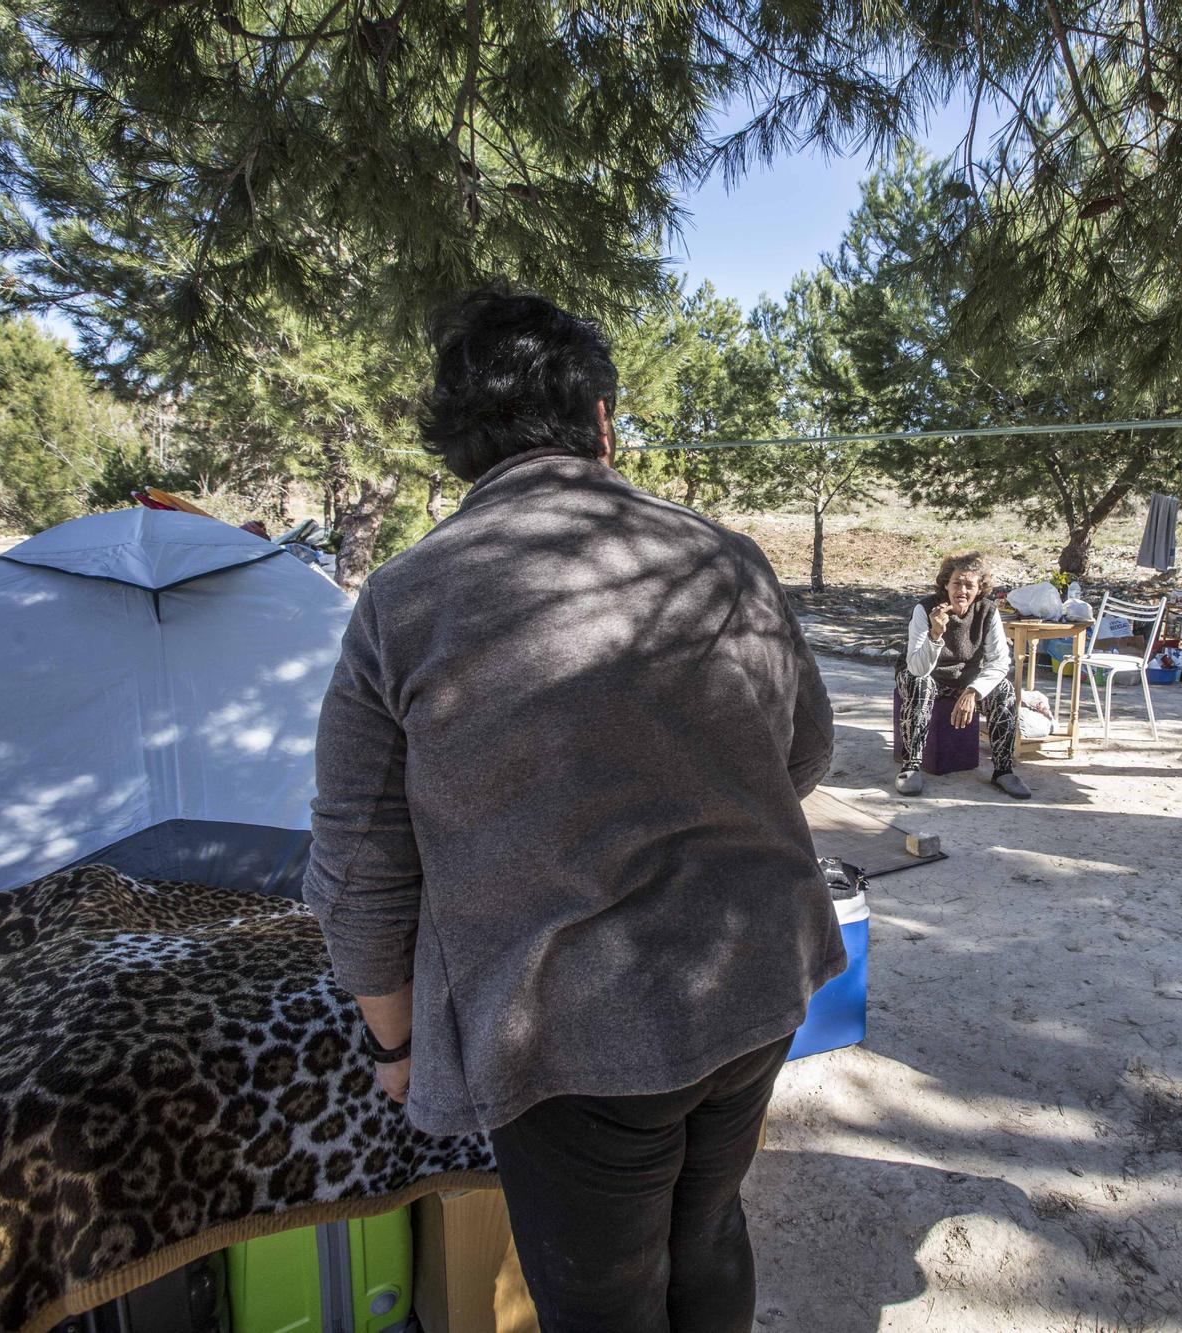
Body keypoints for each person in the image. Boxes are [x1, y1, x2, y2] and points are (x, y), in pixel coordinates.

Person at [302, 287, 846, 1333]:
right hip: (757, 979)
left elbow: (360, 863)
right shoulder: (725, 555)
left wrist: (392, 1045)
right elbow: (805, 752)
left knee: (604, 1298)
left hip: (571, 1033)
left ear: (460, 444)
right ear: (602, 420)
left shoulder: (407, 598)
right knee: (708, 1232)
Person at [895, 552, 1030, 799]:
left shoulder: (987, 611)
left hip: (965, 680)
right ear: (946, 584)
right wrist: (936, 634)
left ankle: (1003, 770)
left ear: (979, 589)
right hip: (926, 675)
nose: (962, 590)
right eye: (957, 583)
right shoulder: (924, 609)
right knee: (920, 684)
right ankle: (911, 766)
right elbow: (916, 667)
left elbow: (999, 661)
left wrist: (973, 690)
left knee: (1005, 690)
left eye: (970, 585)